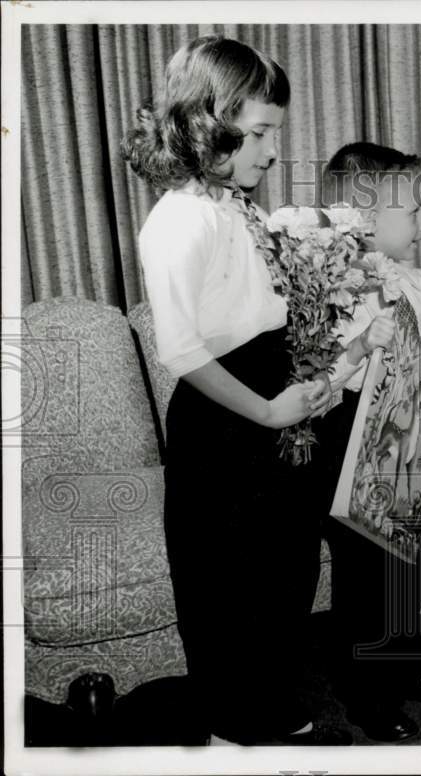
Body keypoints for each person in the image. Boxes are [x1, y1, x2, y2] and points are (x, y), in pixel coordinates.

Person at [122, 35, 349, 745]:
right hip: (226, 418)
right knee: (229, 583)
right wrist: (266, 409)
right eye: (259, 133)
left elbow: (266, 311)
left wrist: (314, 382)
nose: (273, 150)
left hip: (270, 399)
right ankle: (235, 728)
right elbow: (181, 348)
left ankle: (267, 707)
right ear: (206, 123)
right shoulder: (179, 218)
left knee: (283, 571)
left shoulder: (231, 203)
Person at [312, 142, 421, 743]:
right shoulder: (332, 286)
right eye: (412, 211)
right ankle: (367, 691)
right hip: (348, 435)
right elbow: (319, 375)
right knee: (367, 566)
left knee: (407, 558)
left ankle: (403, 657)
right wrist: (362, 344)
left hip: (406, 432)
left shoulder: (413, 283)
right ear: (365, 220)